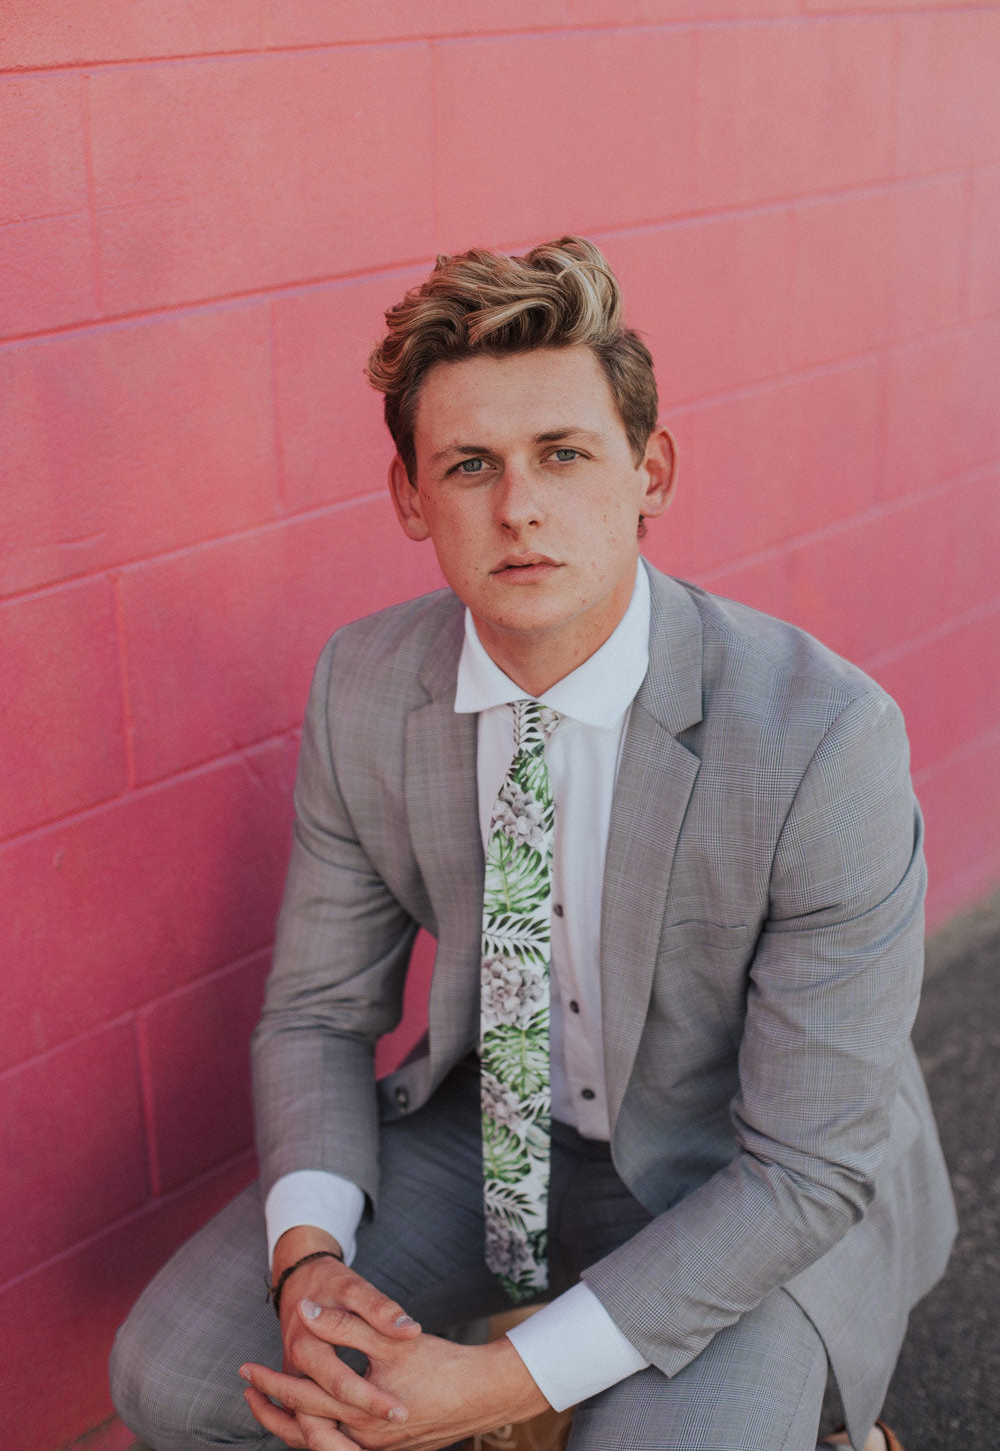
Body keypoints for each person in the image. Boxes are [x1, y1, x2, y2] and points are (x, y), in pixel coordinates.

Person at [110, 237, 956, 1451]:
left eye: (563, 453)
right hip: (499, 1136)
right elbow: (315, 1016)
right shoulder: (365, 684)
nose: (519, 507)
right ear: (410, 498)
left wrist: (506, 1380)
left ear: (647, 470)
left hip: (740, 1177)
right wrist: (307, 1263)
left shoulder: (824, 738)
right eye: (468, 465)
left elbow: (804, 1172)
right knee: (179, 1380)